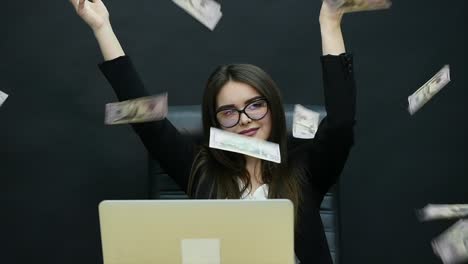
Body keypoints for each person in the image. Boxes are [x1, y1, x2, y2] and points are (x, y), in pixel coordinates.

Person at [69, 0, 356, 263]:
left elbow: (341, 123)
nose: (245, 120)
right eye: (229, 112)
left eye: (255, 106)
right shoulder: (202, 172)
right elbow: (148, 124)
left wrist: (329, 21)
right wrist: (102, 27)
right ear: (215, 122)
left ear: (273, 109)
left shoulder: (303, 170)